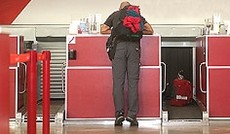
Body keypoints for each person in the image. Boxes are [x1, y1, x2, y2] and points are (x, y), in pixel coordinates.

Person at [101, 1, 153, 126]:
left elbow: (103, 29)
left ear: (120, 8)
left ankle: (119, 115)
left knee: (118, 82)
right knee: (133, 83)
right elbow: (150, 30)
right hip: (134, 49)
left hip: (119, 48)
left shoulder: (116, 14)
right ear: (130, 7)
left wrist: (115, 33)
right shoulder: (136, 15)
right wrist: (137, 33)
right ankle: (132, 115)